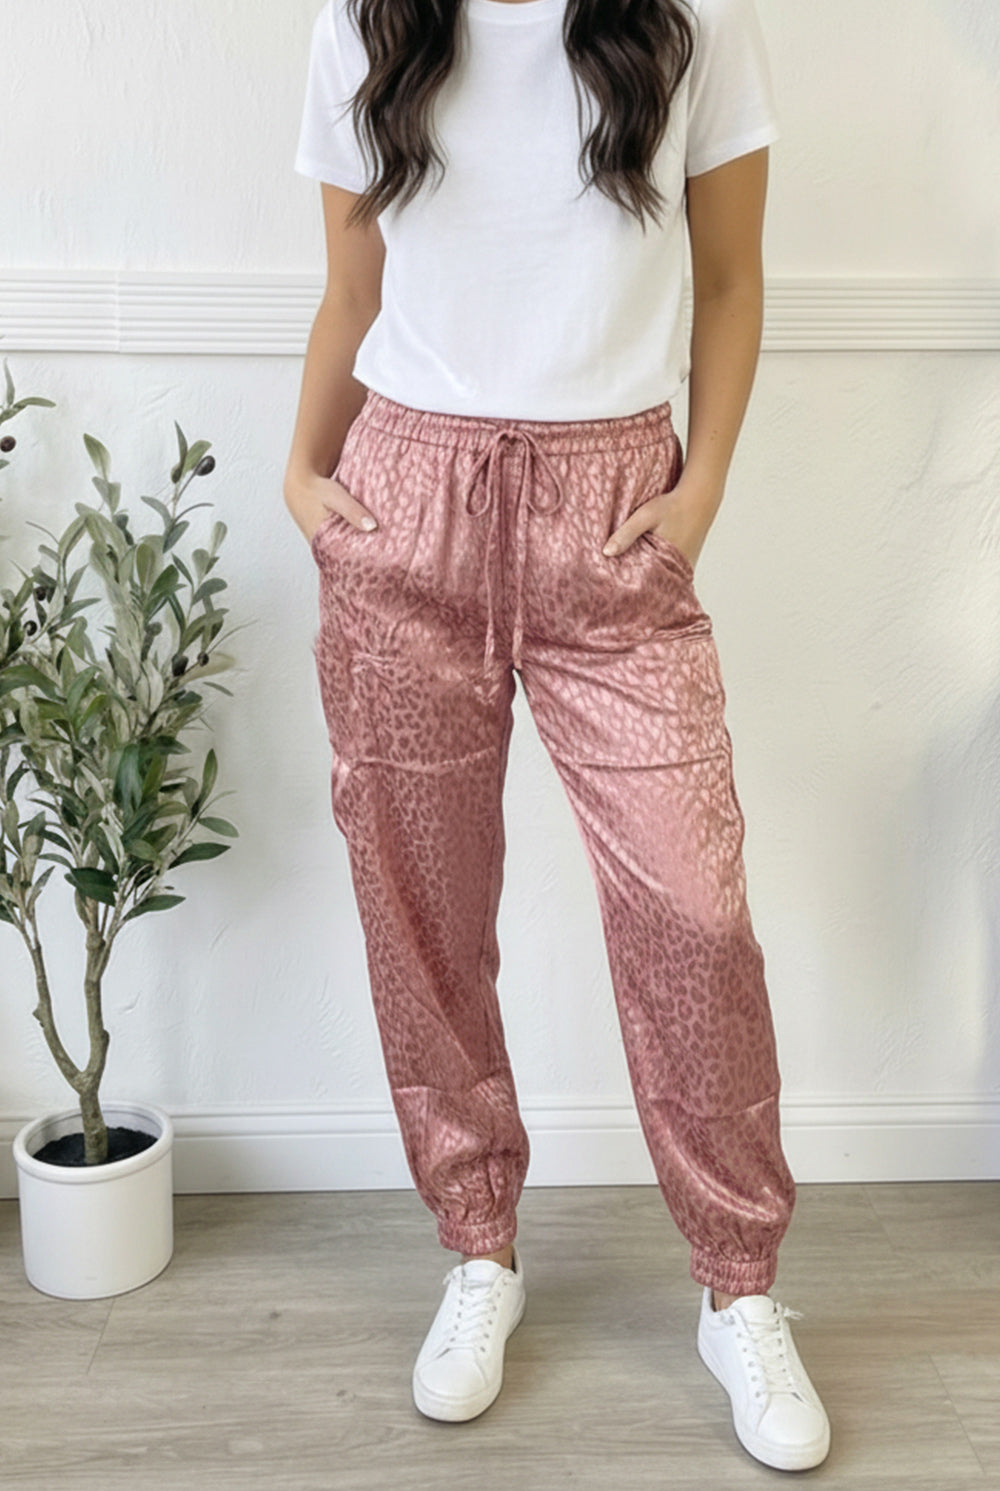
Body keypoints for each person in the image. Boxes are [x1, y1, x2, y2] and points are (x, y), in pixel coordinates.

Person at [285, 0, 830, 1472]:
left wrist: (700, 492)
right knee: (423, 911)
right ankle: (480, 1251)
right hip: (406, 503)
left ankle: (740, 1287)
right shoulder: (369, 23)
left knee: (694, 913)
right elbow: (352, 286)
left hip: (614, 514)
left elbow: (731, 279)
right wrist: (302, 471)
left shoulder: (692, 21)